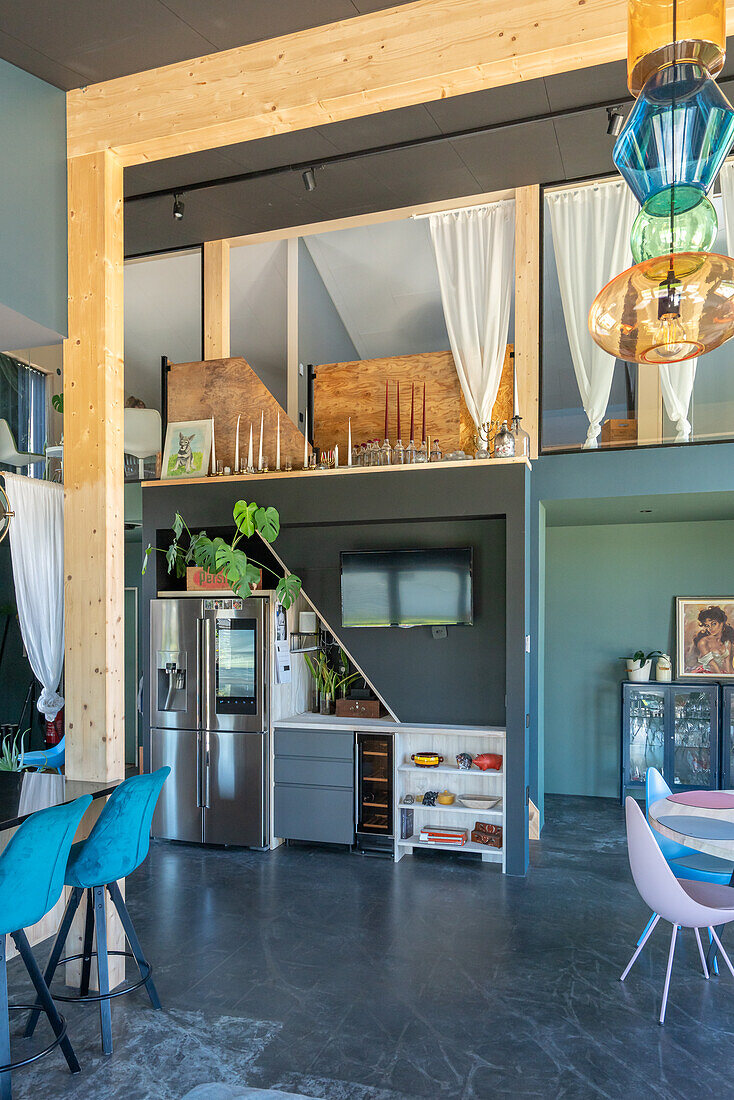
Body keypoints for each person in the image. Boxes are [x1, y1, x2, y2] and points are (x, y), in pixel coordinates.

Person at [692, 605, 734, 674]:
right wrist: (722, 678)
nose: (710, 628)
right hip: (707, 673)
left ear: (721, 623)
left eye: (714, 624)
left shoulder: (727, 643)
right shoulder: (703, 642)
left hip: (722, 674)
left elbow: (728, 665)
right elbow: (713, 665)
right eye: (707, 625)